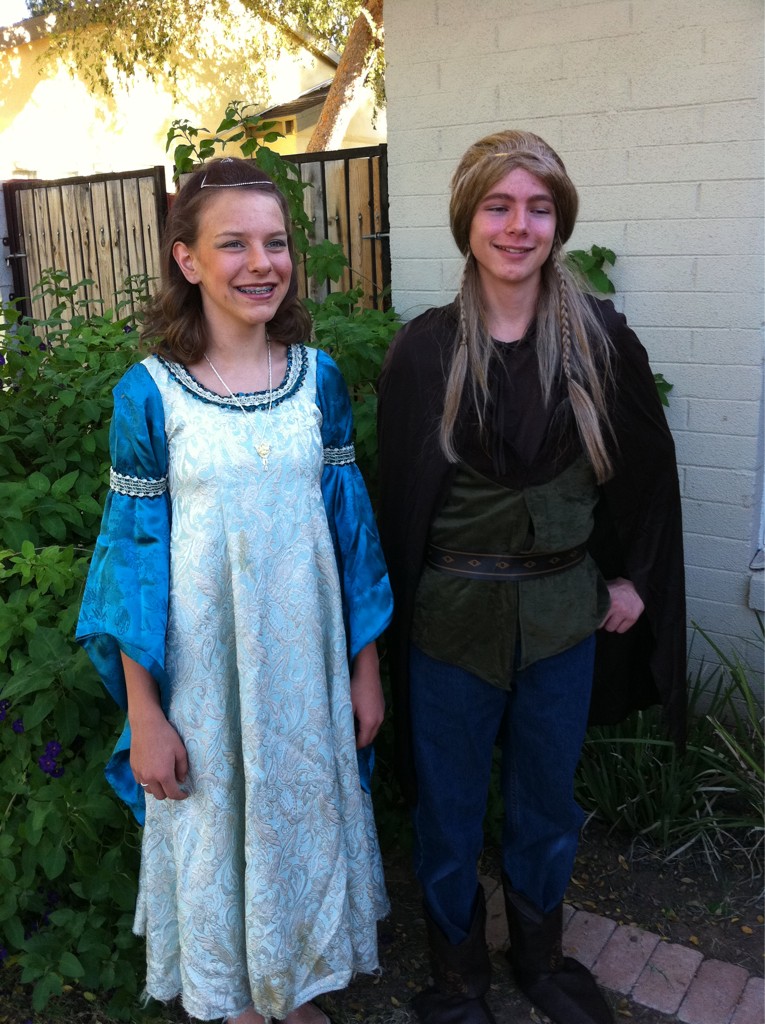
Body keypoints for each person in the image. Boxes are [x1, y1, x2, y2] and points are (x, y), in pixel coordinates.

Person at [377, 130, 686, 1024]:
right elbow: (399, 498)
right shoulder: (423, 352)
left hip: (561, 616)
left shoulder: (599, 339)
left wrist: (630, 579)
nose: (518, 227)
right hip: (449, 621)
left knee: (547, 798)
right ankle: (456, 974)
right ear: (468, 220)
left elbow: (643, 474)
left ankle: (542, 961)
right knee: (448, 807)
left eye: (538, 209)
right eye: (499, 207)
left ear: (559, 221)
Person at [76, 156, 394, 1024]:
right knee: (224, 820)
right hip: (206, 681)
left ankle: (289, 991)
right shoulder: (147, 396)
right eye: (234, 244)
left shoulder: (317, 379)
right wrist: (145, 713)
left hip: (306, 670)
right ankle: (241, 1004)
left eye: (276, 242)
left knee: (297, 819)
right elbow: (130, 564)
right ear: (187, 260)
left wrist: (363, 668)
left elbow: (350, 532)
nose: (262, 262)